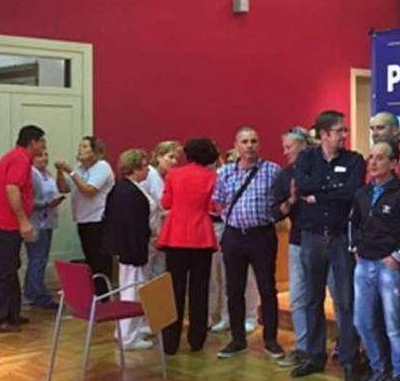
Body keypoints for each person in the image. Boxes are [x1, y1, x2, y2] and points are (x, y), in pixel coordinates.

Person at [291, 110, 366, 381]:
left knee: (345, 300)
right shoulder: (306, 158)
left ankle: (349, 358)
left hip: (340, 238)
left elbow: (352, 192)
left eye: (345, 131)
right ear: (323, 135)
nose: (344, 135)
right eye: (339, 131)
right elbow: (303, 185)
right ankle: (314, 355)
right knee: (312, 298)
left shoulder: (355, 160)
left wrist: (319, 194)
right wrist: (331, 190)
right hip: (311, 237)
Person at [350, 139, 400, 381]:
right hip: (363, 265)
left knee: (394, 326)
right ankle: (379, 371)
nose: (373, 162)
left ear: (393, 164)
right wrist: (354, 249)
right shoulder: (362, 194)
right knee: (362, 321)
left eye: (380, 158)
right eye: (371, 157)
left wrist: (397, 256)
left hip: (390, 268)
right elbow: (352, 223)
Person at [213, 126, 283, 359]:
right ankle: (237, 339)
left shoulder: (272, 171)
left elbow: (280, 201)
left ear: (259, 144)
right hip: (234, 235)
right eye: (245, 141)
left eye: (254, 141)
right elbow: (219, 202)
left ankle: (271, 340)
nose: (250, 145)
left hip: (261, 235)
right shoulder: (224, 173)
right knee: (234, 289)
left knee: (267, 288)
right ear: (236, 145)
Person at [0, 125, 46, 333]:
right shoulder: (20, 159)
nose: (44, 146)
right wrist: (23, 221)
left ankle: (12, 313)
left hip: (2, 221)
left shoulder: (15, 156)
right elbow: (12, 188)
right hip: (6, 223)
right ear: (33, 142)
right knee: (4, 270)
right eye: (42, 142)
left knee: (10, 267)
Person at [157, 137, 218, 354]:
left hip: (175, 235)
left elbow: (166, 203)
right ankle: (197, 339)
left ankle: (170, 342)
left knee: (174, 289)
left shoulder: (174, 174)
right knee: (199, 290)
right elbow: (214, 206)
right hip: (201, 236)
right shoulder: (212, 176)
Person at [101, 149, 158, 351]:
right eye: (144, 166)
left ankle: (128, 330)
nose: (147, 170)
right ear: (135, 168)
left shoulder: (120, 189)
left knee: (131, 288)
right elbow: (135, 226)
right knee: (133, 291)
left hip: (130, 247)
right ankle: (128, 337)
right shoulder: (131, 193)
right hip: (134, 249)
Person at [271, 127, 314, 368]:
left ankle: (343, 346)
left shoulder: (321, 168)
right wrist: (291, 201)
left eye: (289, 147)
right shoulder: (285, 176)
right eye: (284, 147)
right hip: (298, 241)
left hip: (328, 241)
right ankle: (303, 347)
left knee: (339, 296)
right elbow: (275, 212)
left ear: (303, 146)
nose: (285, 152)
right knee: (298, 297)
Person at [55, 136, 115, 296]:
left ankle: (103, 295)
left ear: (95, 152)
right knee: (90, 258)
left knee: (100, 260)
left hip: (99, 219)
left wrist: (71, 172)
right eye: (80, 146)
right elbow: (63, 188)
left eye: (85, 146)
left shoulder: (102, 167)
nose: (80, 149)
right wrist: (60, 172)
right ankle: (93, 292)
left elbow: (89, 190)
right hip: (83, 219)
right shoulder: (80, 168)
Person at [23, 149, 64, 310]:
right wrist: (46, 204)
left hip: (47, 221)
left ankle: (30, 293)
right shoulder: (31, 175)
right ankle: (39, 295)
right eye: (40, 155)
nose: (44, 158)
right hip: (36, 222)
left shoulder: (47, 173)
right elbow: (28, 201)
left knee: (40, 258)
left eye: (46, 155)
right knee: (37, 258)